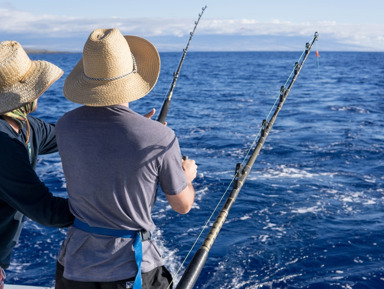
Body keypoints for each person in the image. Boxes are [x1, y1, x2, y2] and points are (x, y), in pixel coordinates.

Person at [54, 28, 197, 289]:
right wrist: (185, 176)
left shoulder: (65, 126)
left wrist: (134, 134)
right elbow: (182, 205)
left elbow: (99, 151)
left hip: (75, 268)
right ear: (132, 75)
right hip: (130, 273)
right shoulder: (161, 137)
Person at [0, 40, 74, 287]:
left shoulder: (26, 126)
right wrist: (100, 212)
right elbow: (45, 210)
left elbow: (72, 138)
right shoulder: (3, 143)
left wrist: (133, 132)